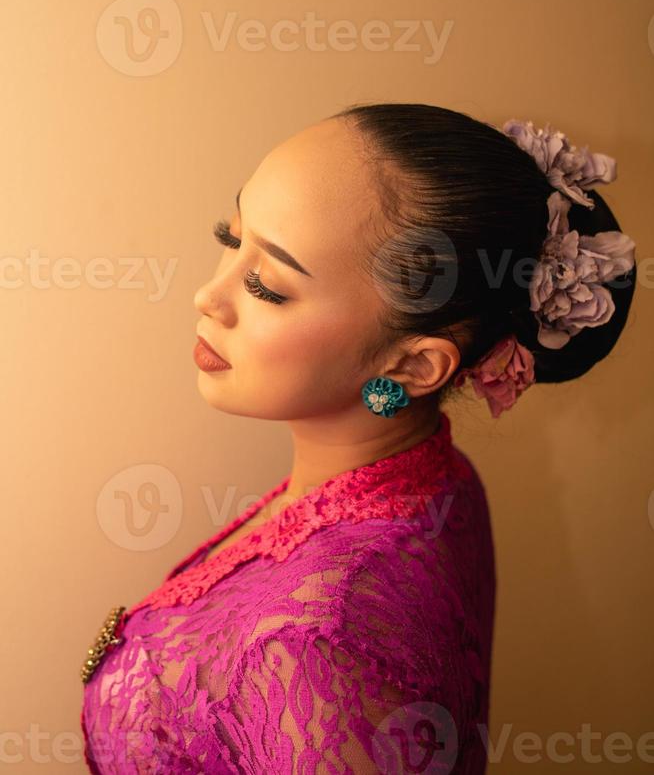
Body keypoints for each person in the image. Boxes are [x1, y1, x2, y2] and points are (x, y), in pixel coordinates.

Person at [79, 103, 636, 774]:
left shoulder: (321, 644)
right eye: (232, 240)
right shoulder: (432, 472)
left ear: (411, 366)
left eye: (266, 285)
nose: (209, 295)